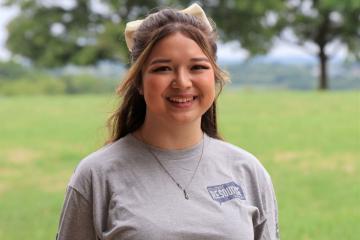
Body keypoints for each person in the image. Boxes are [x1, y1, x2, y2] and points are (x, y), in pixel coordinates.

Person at [56, 3, 280, 240]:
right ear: (139, 82)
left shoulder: (248, 171)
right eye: (163, 68)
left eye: (197, 67)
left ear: (214, 77)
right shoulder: (97, 175)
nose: (182, 82)